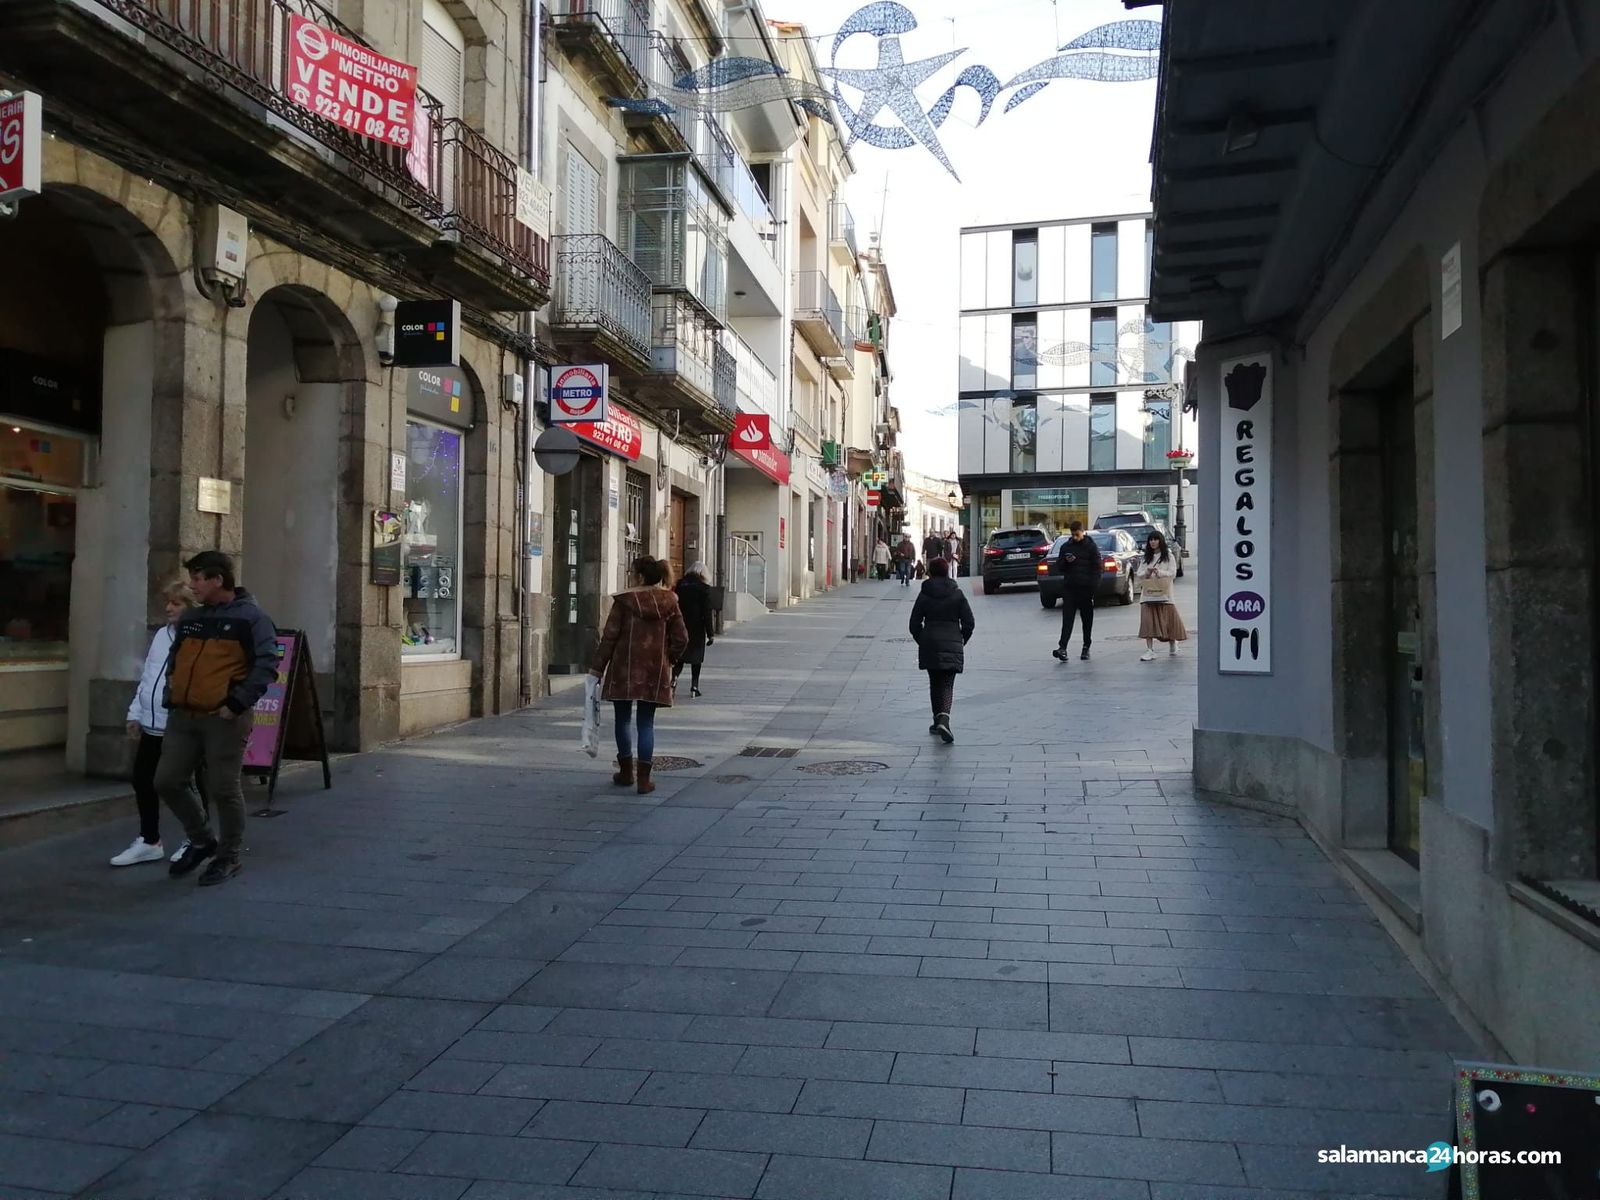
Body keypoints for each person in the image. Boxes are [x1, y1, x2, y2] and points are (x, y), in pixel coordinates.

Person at [156, 551, 279, 887]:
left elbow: (267, 664)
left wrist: (236, 703)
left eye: (197, 579)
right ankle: (201, 839)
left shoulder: (252, 618)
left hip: (223, 718)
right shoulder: (192, 618)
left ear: (217, 580)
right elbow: (175, 659)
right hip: (184, 715)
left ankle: (228, 856)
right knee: (166, 780)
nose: (192, 585)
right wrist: (171, 695)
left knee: (224, 789)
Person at [112, 580, 209, 867]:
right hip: (152, 722)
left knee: (183, 784)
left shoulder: (199, 639)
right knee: (143, 780)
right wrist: (135, 713)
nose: (168, 608)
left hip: (180, 725)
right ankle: (149, 840)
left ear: (191, 607)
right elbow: (148, 677)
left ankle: (197, 838)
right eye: (167, 602)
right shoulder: (161, 635)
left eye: (176, 603)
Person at [592, 556, 689, 795]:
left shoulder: (624, 601)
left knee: (622, 720)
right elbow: (682, 638)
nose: (630, 575)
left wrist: (598, 667)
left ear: (640, 576)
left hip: (624, 667)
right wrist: (669, 658)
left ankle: (626, 772)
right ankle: (645, 780)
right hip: (654, 669)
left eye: (632, 572)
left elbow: (610, 636)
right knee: (646, 723)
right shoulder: (670, 601)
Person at [909, 557, 975, 744]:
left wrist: (922, 639)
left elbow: (914, 623)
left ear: (930, 572)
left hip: (930, 642)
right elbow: (969, 622)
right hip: (952, 642)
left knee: (934, 682)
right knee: (947, 684)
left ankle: (937, 720)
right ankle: (944, 719)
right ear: (947, 572)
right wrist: (962, 639)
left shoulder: (925, 594)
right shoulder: (957, 594)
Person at [1050, 521, 1102, 662]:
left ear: (1082, 532)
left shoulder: (1091, 547)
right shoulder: (1066, 546)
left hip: (1085, 589)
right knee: (1067, 619)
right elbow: (1059, 566)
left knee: (1087, 620)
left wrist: (1093, 587)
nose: (1074, 537)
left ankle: (1086, 647)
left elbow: (1097, 568)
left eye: (1077, 535)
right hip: (1070, 588)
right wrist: (1066, 561)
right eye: (1072, 535)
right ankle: (1063, 648)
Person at [1137, 530, 1188, 661]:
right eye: (1151, 540)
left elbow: (1173, 573)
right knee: (1148, 622)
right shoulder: (1146, 557)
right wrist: (1147, 572)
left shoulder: (1168, 556)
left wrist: (1160, 572)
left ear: (1160, 541)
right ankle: (1150, 650)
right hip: (1148, 594)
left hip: (1164, 594)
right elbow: (1139, 573)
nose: (1153, 542)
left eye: (1155, 539)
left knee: (1168, 621)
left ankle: (1173, 643)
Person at [672, 561, 714, 698]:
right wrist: (710, 634)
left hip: (680, 623)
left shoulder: (680, 585)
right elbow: (707, 612)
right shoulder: (703, 588)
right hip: (697, 626)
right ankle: (694, 687)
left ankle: (674, 680)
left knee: (680, 655)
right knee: (696, 657)